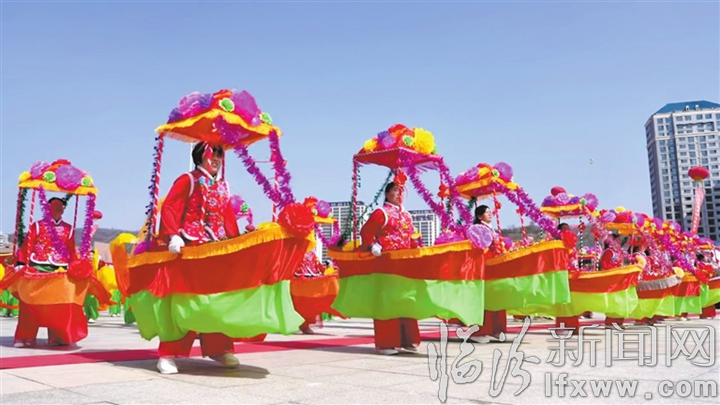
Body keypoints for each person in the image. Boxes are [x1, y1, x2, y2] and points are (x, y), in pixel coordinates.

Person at [154, 142, 242, 374]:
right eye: (212, 155)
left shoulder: (223, 186)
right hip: (191, 247)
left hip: (217, 248)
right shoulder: (188, 180)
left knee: (218, 300)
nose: (217, 160)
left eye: (220, 155)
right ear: (200, 157)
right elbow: (170, 207)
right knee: (186, 300)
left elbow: (228, 217)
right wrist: (173, 235)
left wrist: (236, 242)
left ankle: (219, 348)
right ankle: (168, 353)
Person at [360, 180, 422, 355]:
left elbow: (410, 238)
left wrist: (417, 250)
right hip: (386, 262)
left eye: (402, 190)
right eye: (395, 190)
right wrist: (373, 244)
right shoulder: (381, 213)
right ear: (386, 193)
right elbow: (366, 231)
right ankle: (387, 342)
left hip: (404, 264)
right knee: (387, 301)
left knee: (406, 300)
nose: (399, 193)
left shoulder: (407, 215)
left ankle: (408, 339)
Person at [14, 197, 79, 347]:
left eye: (60, 207)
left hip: (60, 269)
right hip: (37, 266)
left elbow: (71, 250)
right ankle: (25, 337)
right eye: (54, 207)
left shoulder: (68, 229)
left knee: (58, 305)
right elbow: (27, 245)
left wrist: (76, 266)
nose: (57, 210)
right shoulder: (38, 226)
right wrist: (21, 262)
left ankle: (58, 337)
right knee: (30, 303)